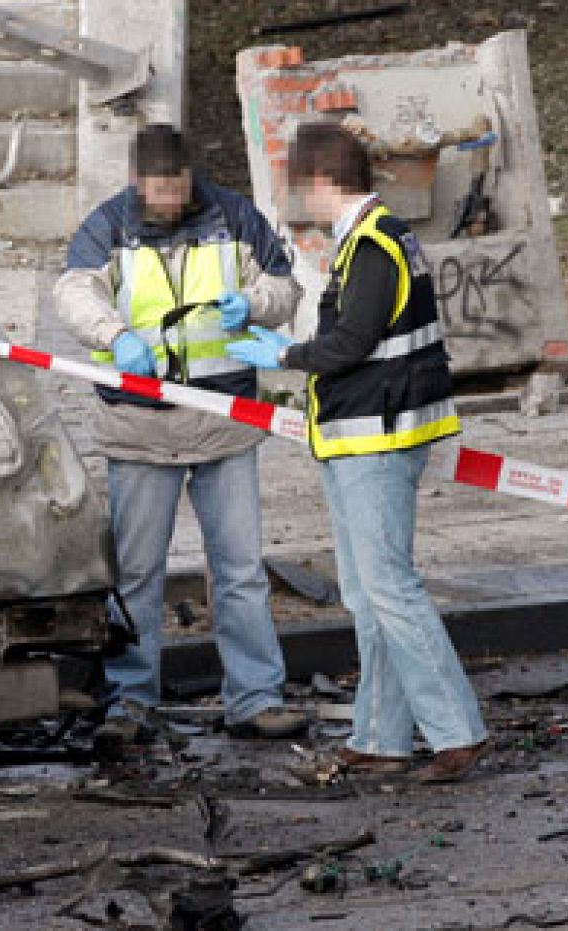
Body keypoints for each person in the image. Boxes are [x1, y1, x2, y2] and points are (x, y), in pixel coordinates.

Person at [227, 122, 490, 783]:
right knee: (368, 595)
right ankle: (381, 735)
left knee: (390, 589)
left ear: (320, 182)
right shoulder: (372, 240)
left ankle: (456, 731)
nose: (295, 200)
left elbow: (349, 345)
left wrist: (282, 354)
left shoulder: (373, 245)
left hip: (377, 440)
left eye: (298, 187)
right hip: (361, 437)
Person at [54, 124, 307, 749]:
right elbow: (72, 292)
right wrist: (115, 335)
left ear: (191, 176)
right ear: (138, 181)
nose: (169, 200)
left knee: (241, 571)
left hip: (225, 422)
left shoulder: (234, 216)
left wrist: (253, 304)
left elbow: (285, 287)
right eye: (158, 189)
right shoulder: (108, 226)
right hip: (140, 427)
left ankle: (256, 698)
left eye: (178, 187)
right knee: (138, 574)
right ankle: (129, 701)